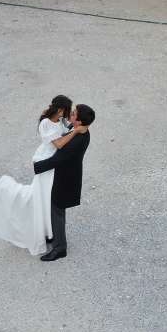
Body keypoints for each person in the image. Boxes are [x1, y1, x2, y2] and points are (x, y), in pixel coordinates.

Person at [0, 96, 85, 256]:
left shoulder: (60, 120)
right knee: (40, 197)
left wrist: (74, 129)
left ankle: (49, 232)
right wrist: (76, 132)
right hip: (47, 162)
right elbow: (59, 144)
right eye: (67, 111)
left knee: (47, 200)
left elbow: (67, 130)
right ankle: (4, 190)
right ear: (60, 110)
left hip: (54, 165)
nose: (68, 115)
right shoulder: (45, 124)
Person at [32, 103, 94, 262]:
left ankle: (60, 248)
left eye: (73, 114)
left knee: (57, 211)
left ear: (79, 122)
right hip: (67, 177)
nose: (70, 115)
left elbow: (58, 159)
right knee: (56, 211)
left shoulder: (75, 141)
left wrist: (37, 166)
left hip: (65, 180)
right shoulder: (82, 131)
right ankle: (55, 238)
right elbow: (67, 127)